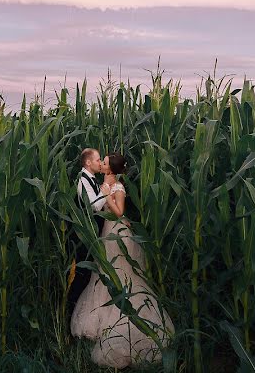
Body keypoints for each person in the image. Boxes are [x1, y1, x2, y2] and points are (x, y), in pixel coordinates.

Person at [70, 153, 174, 368]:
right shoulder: (102, 182)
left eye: (105, 162)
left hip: (116, 232)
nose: (102, 164)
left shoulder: (117, 186)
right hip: (106, 232)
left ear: (111, 168)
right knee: (104, 273)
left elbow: (119, 212)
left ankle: (128, 320)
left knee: (122, 272)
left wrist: (107, 194)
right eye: (101, 161)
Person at [67, 148, 106, 312]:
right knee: (82, 275)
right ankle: (72, 312)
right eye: (98, 160)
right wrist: (104, 192)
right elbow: (94, 207)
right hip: (84, 236)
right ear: (88, 162)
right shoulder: (83, 180)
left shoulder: (92, 179)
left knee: (87, 274)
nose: (100, 163)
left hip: (91, 234)